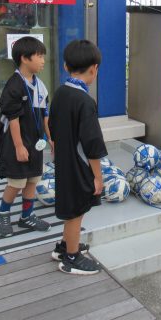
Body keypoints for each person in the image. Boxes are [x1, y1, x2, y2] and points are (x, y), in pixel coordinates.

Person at [48, 39, 107, 275]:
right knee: (76, 211)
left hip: (64, 161)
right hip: (79, 164)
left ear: (65, 66)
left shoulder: (61, 93)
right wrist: (97, 177)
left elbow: (52, 125)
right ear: (94, 68)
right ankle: (72, 258)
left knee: (70, 206)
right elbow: (92, 144)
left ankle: (64, 246)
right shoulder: (85, 101)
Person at [0, 36, 53, 237]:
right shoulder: (14, 85)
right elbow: (13, 120)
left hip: (35, 142)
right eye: (39, 56)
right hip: (15, 141)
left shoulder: (40, 86)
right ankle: (2, 212)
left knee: (32, 180)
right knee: (17, 182)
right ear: (24, 58)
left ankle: (26, 216)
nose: (43, 60)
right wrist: (19, 146)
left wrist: (51, 139)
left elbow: (45, 116)